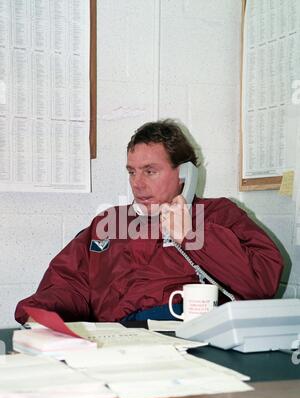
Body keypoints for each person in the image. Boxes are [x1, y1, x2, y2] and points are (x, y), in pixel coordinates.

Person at [15, 120, 284, 325]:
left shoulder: (218, 215)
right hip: (118, 341)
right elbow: (68, 284)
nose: (137, 183)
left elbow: (262, 281)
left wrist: (191, 235)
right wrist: (41, 314)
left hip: (188, 340)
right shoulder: (109, 224)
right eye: (131, 172)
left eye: (150, 172)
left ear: (184, 173)